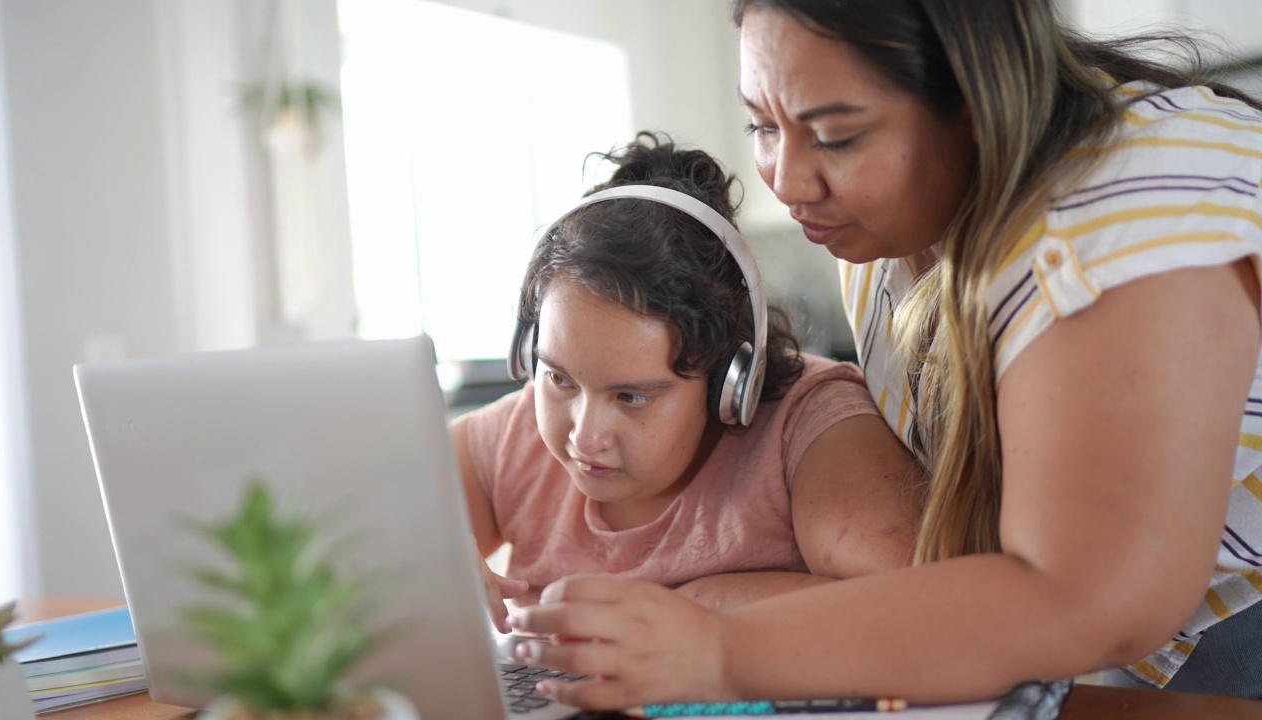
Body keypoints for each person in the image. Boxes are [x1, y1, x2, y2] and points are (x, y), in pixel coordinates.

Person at [507, 0, 1262, 706]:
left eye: (836, 135)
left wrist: (718, 649)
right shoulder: (882, 223)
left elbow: (1085, 597)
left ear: (974, 101)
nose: (789, 180)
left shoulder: (1133, 219)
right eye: (763, 126)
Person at [449, 131, 923, 633]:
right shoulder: (512, 439)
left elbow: (913, 605)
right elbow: (369, 535)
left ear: (727, 385)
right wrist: (426, 568)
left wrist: (698, 609)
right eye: (560, 379)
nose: (584, 438)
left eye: (632, 396)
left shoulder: (810, 427)